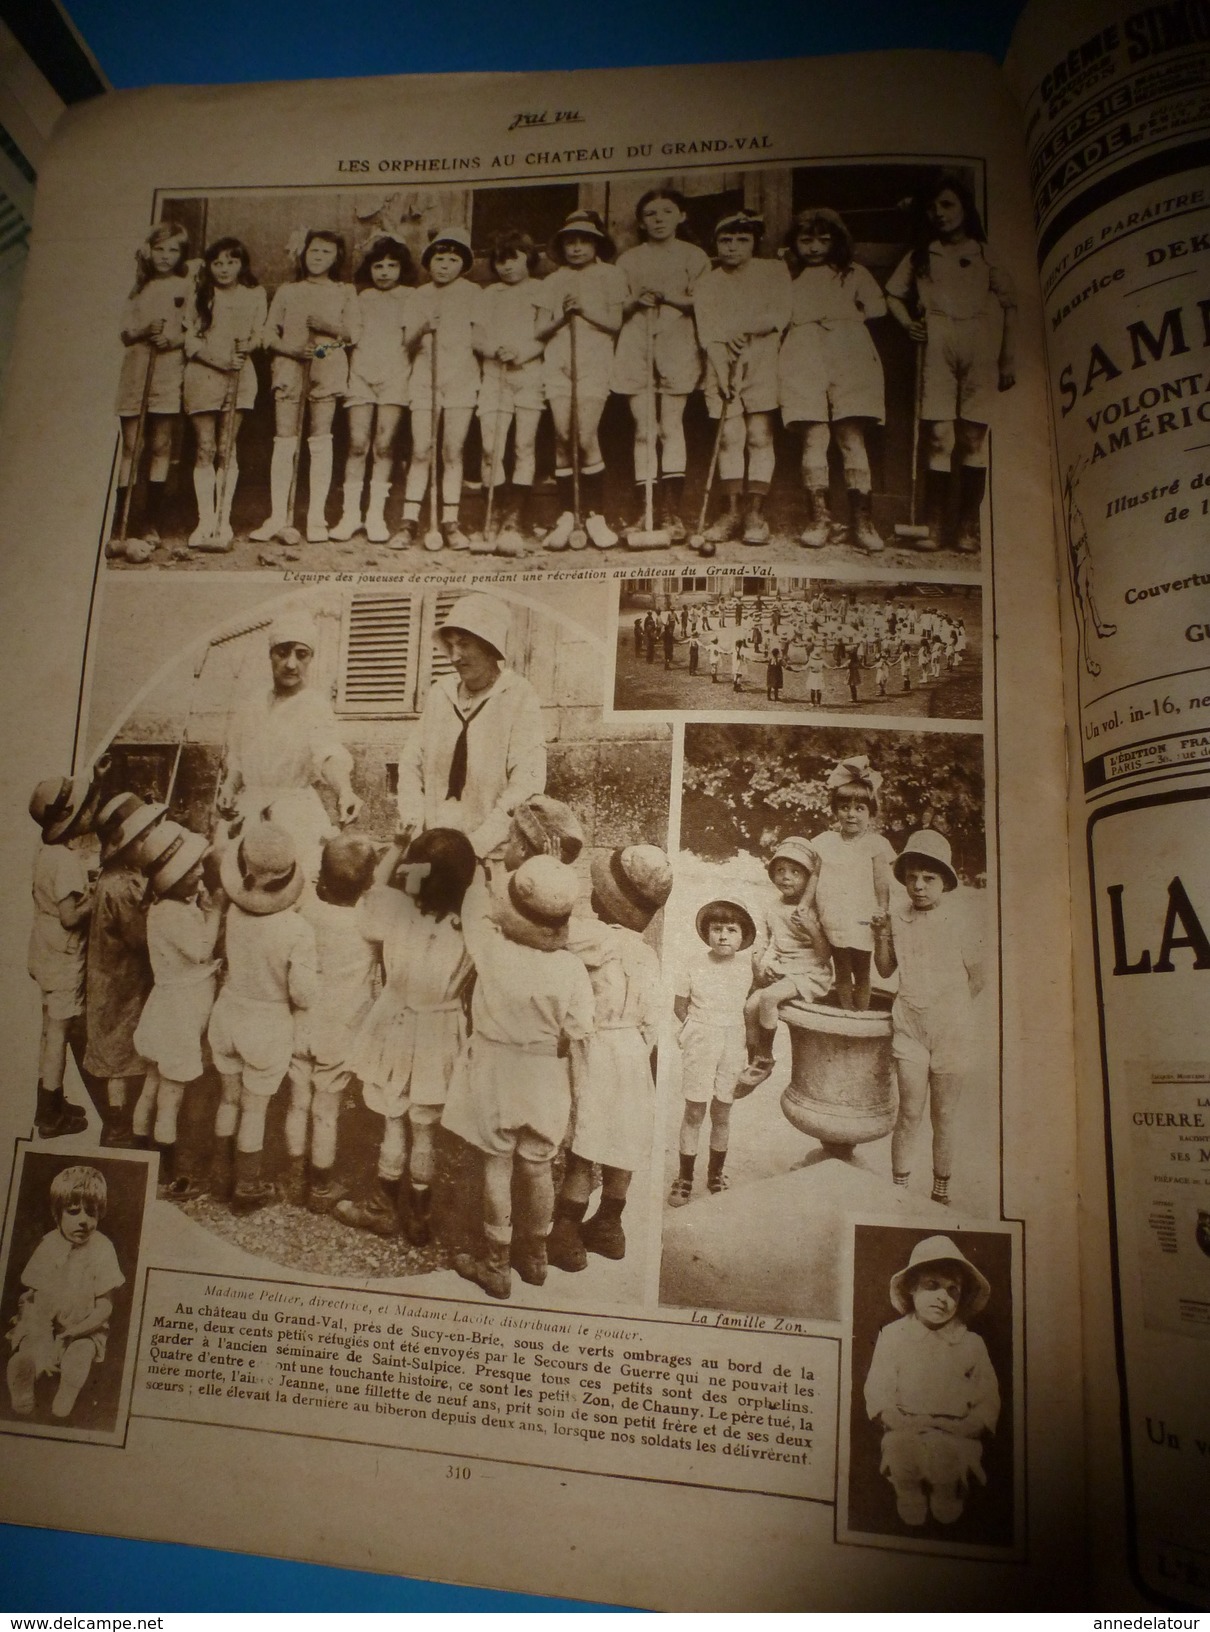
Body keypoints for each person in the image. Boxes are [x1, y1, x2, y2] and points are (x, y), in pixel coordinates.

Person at [442, 856, 595, 1299]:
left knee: (496, 1163)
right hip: (546, 1072)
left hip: (496, 1069)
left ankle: (496, 1263)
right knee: (538, 1166)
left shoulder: (493, 951)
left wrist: (479, 865)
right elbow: (582, 1027)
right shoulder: (570, 968)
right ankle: (535, 1255)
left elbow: (475, 911)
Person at [338, 829, 475, 1243]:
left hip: (394, 1023)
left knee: (393, 1120)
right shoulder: (471, 925)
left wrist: (398, 846)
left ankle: (382, 1206)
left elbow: (374, 892)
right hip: (440, 1030)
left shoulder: (395, 911)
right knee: (425, 1128)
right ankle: (419, 1214)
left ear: (416, 874)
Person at [550, 845, 672, 1272]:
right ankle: (609, 1226)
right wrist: (640, 1051)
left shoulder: (591, 937)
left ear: (603, 900)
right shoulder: (648, 954)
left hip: (595, 1047)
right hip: (634, 1056)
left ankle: (565, 1232)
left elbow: (555, 935)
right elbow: (655, 1021)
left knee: (584, 1147)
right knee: (622, 1144)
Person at [886, 172, 1016, 553]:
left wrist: (1007, 358)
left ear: (965, 207)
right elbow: (894, 295)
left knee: (974, 437)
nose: (939, 213)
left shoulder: (986, 253)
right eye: (932, 207)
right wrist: (909, 323)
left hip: (980, 342)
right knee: (940, 436)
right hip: (938, 341)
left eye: (947, 204)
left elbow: (1011, 306)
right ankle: (935, 525)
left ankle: (967, 527)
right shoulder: (922, 256)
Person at [207, 821, 317, 1212]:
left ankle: (219, 1173)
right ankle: (247, 1184)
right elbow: (302, 994)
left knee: (229, 1099)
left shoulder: (234, 915)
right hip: (267, 1022)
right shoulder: (297, 929)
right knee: (255, 1107)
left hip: (229, 1010)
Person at [872, 830, 984, 1206]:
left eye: (929, 878)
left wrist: (951, 1010)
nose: (918, 886)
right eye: (912, 877)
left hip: (952, 1032)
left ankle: (940, 1192)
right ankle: (897, 1192)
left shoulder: (961, 919)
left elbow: (979, 976)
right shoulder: (896, 916)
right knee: (909, 1112)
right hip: (910, 1028)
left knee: (944, 1115)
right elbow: (885, 970)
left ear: (945, 881)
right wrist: (881, 937)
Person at [396, 594, 545, 860]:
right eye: (450, 645)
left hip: (490, 854)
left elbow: (526, 785)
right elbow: (410, 764)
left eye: (463, 644)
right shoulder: (440, 693)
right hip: (431, 849)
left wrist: (477, 846)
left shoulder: (519, 696)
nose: (454, 656)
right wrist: (415, 824)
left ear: (490, 647)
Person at [864, 1234, 1000, 1526]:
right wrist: (902, 1421)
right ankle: (908, 1492)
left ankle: (946, 1493)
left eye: (953, 1290)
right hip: (906, 1426)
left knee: (946, 1456)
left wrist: (965, 1426)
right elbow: (878, 1392)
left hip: (955, 1432)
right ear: (912, 1288)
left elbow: (987, 1399)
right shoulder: (893, 1337)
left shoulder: (971, 1343)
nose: (943, 1297)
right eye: (932, 1286)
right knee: (902, 1451)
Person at [217, 609, 361, 882]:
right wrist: (229, 787)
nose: (291, 664)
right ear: (270, 654)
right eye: (282, 653)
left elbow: (328, 754)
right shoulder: (251, 706)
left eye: (301, 654)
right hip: (250, 813)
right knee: (246, 885)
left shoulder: (314, 707)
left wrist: (346, 790)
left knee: (292, 886)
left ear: (311, 658)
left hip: (294, 816)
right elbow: (237, 758)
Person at [779, 208, 886, 553]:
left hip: (848, 351)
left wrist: (846, 319)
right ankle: (819, 518)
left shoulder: (853, 273)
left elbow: (878, 307)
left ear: (837, 241)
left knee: (851, 435)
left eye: (824, 240)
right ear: (794, 243)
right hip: (803, 352)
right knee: (814, 434)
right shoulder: (785, 275)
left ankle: (862, 521)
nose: (814, 247)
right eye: (806, 239)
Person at [285, 833, 379, 1213]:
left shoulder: (306, 913)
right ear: (367, 884)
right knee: (326, 1111)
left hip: (301, 1022)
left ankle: (293, 1176)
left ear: (321, 876)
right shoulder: (367, 925)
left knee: (297, 1102)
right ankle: (321, 1186)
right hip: (339, 1032)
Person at [130, 820, 221, 1199]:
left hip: (166, 1007)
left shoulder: (167, 908)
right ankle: (169, 1176)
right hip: (179, 1015)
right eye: (193, 869)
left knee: (152, 1084)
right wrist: (215, 911)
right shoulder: (171, 913)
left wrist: (198, 907)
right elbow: (201, 950)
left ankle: (137, 1156)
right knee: (170, 1094)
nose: (200, 873)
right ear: (171, 878)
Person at [612, 189, 709, 540]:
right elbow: (615, 309)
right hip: (637, 342)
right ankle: (646, 511)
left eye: (667, 212)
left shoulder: (694, 256)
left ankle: (671, 514)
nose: (658, 219)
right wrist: (635, 301)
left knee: (671, 428)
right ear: (641, 221)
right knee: (644, 430)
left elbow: (705, 303)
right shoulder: (628, 261)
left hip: (678, 342)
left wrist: (669, 298)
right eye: (651, 213)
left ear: (681, 216)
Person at [253, 228, 358, 544]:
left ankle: (316, 518)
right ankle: (277, 516)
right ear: (303, 253)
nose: (318, 257)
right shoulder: (288, 291)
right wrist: (292, 350)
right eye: (314, 250)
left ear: (337, 257)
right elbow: (268, 335)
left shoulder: (344, 291)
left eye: (326, 252)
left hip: (327, 368)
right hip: (289, 367)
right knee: (285, 441)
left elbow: (352, 335)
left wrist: (324, 334)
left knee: (320, 440)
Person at [695, 210, 790, 546]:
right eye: (725, 240)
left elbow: (781, 313)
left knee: (759, 434)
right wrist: (721, 374)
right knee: (728, 436)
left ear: (754, 243)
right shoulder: (707, 282)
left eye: (742, 240)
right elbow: (708, 333)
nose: (733, 246)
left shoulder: (773, 271)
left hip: (763, 359)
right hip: (722, 362)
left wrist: (746, 329)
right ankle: (730, 511)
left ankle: (755, 513)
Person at [536, 209, 625, 551]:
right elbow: (540, 329)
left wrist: (584, 309)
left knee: (585, 435)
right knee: (562, 436)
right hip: (559, 362)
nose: (576, 248)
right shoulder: (553, 281)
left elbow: (616, 323)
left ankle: (594, 515)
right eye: (570, 243)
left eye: (583, 241)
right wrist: (563, 316)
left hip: (594, 363)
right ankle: (566, 516)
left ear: (597, 244)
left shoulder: (611, 276)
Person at [6, 1166, 124, 1421]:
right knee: (33, 1345)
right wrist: (45, 1340)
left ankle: (68, 1390)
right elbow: (38, 1303)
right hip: (43, 1320)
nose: (84, 1220)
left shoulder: (103, 1248)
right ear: (56, 1214)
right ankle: (26, 1377)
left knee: (80, 1353)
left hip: (84, 1326)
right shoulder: (48, 1245)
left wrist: (75, 1331)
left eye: (91, 1213)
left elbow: (105, 1307)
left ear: (99, 1214)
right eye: (73, 1212)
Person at [84, 794, 166, 1148]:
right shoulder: (121, 887)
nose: (151, 842)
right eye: (144, 837)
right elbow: (139, 939)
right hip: (119, 982)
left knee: (118, 1051)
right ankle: (118, 1126)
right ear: (128, 845)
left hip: (114, 979)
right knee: (119, 1052)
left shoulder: (121, 877)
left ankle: (122, 1121)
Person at [398, 227, 483, 550]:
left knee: (452, 451)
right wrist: (424, 327)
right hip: (424, 378)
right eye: (438, 258)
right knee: (421, 450)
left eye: (452, 259)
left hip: (461, 377)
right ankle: (408, 522)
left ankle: (450, 522)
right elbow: (406, 343)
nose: (444, 265)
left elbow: (479, 338)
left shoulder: (474, 293)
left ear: (462, 264)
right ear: (428, 262)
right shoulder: (417, 295)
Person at [27, 774, 98, 1139]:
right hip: (64, 956)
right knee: (58, 1034)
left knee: (47, 1030)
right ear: (70, 815)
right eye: (87, 807)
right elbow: (70, 918)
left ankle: (49, 1101)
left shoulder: (47, 854)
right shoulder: (67, 861)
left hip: (44, 951)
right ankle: (50, 1116)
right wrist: (95, 899)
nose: (93, 812)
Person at [670, 898, 755, 1205]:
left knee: (722, 1110)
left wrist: (753, 1052)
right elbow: (680, 1005)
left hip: (733, 1040)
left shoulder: (748, 970)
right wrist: (695, 1029)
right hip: (701, 1038)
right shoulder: (694, 964)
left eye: (731, 930)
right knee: (694, 1110)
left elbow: (751, 1013)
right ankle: (684, 1178)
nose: (723, 936)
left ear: (742, 936)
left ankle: (715, 1173)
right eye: (716, 929)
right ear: (706, 932)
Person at [331, 233, 414, 546]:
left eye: (392, 265)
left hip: (396, 375)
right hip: (362, 374)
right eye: (378, 265)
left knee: (384, 445)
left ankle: (375, 516)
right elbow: (348, 336)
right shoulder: (360, 297)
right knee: (356, 443)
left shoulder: (410, 296)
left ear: (401, 268)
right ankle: (350, 515)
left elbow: (415, 339)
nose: (384, 271)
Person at [183, 237, 266, 549]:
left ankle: (223, 520)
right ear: (209, 266)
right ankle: (205, 521)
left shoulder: (254, 295)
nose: (224, 269)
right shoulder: (200, 293)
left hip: (240, 377)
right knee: (204, 448)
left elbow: (260, 333)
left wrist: (250, 345)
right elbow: (189, 340)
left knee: (225, 448)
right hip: (204, 375)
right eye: (217, 263)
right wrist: (219, 361)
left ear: (241, 264)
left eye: (231, 262)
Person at [112, 222, 191, 549]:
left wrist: (172, 338)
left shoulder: (187, 286)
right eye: (160, 249)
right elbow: (124, 332)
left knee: (161, 446)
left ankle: (151, 522)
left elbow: (194, 330)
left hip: (168, 370)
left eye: (173, 250)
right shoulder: (136, 286)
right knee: (132, 447)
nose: (166, 256)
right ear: (149, 249)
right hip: (136, 370)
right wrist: (145, 329)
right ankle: (121, 522)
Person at [737, 837, 832, 1093]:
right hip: (783, 970)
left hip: (810, 972)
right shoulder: (773, 907)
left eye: (795, 872)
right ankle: (753, 1059)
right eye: (780, 870)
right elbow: (767, 942)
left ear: (808, 878)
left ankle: (765, 1059)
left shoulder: (812, 909)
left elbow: (824, 955)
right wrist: (761, 962)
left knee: (767, 998)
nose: (786, 877)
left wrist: (811, 928)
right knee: (749, 1007)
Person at [474, 230, 545, 551]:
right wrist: (494, 350)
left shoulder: (542, 291)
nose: (506, 268)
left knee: (524, 446)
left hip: (529, 375)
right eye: (500, 262)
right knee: (491, 446)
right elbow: (476, 338)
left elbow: (545, 335)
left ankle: (515, 515)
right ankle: (494, 509)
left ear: (528, 259)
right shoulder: (488, 295)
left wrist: (521, 352)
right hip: (494, 375)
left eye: (513, 260)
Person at [806, 757, 894, 1010]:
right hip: (834, 916)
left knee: (862, 971)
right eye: (845, 807)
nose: (851, 814)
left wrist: (882, 910)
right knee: (841, 970)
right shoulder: (826, 841)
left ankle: (861, 1014)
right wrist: (806, 904)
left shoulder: (876, 845)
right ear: (835, 810)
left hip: (863, 918)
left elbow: (881, 882)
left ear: (871, 813)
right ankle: (846, 1012)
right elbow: (816, 875)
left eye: (859, 809)